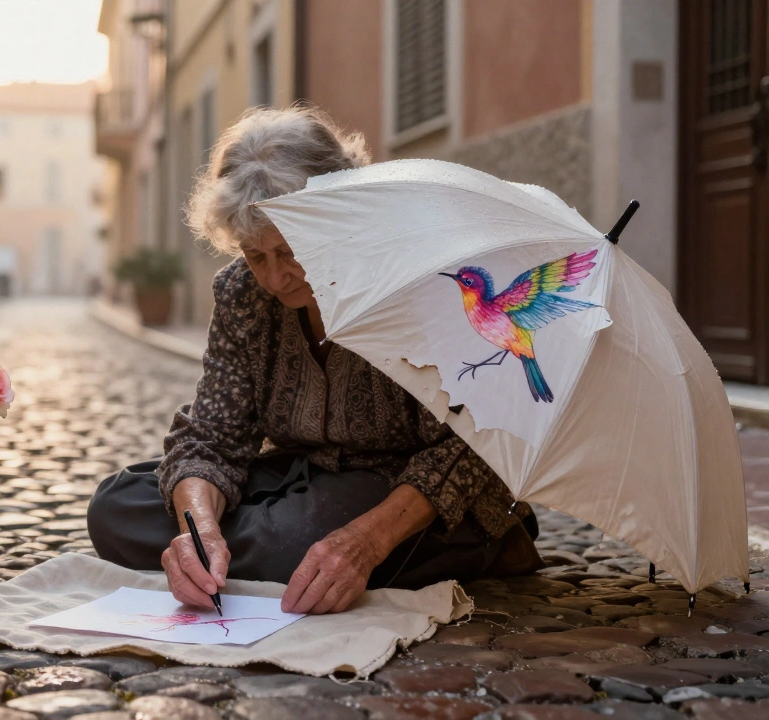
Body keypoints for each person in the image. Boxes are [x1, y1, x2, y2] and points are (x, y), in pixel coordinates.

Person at [87, 105, 543, 616]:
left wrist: (365, 542)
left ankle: (481, 544)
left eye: (290, 250)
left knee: (295, 542)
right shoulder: (242, 294)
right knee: (117, 506)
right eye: (255, 256)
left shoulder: (416, 284)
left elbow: (472, 444)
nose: (275, 277)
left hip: (403, 492)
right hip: (302, 477)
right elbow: (214, 433)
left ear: (338, 215)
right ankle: (258, 548)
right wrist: (199, 529)